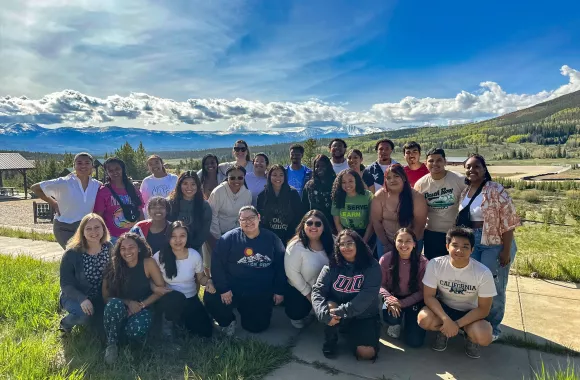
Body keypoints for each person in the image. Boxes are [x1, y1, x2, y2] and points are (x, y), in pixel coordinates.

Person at [459, 154, 519, 340]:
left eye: (476, 166)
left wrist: (506, 250)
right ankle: (475, 322)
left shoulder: (495, 189)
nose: (472, 170)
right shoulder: (465, 191)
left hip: (494, 242)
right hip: (473, 242)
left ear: (484, 169)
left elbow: (509, 222)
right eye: (468, 167)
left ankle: (493, 328)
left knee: (494, 286)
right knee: (475, 286)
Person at [204, 206, 286, 335]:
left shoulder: (272, 239)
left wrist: (279, 290)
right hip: (233, 287)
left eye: (251, 218)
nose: (248, 222)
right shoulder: (228, 239)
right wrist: (223, 288)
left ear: (258, 218)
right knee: (211, 297)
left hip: (259, 289)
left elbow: (281, 266)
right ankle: (227, 321)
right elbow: (217, 264)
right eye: (244, 219)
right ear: (239, 221)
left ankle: (249, 311)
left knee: (257, 327)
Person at [417, 227, 496, 359]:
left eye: (465, 247)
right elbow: (429, 297)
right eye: (455, 245)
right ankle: (444, 331)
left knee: (484, 337)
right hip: (445, 307)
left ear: (472, 250)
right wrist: (445, 319)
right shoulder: (435, 264)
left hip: (470, 311)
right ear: (447, 246)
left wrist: (456, 325)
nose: (459, 250)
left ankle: (469, 337)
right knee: (424, 319)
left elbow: (483, 309)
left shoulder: (483, 272)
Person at [312, 229, 382, 360]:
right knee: (329, 305)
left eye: (350, 243)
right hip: (336, 309)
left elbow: (367, 296)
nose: (345, 247)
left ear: (358, 244)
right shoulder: (331, 265)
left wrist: (341, 312)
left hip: (363, 314)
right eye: (341, 244)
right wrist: (323, 313)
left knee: (367, 354)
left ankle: (351, 331)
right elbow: (318, 291)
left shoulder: (372, 266)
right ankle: (331, 338)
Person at [101, 233, 166, 364]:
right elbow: (106, 297)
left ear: (139, 248)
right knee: (114, 304)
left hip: (143, 307)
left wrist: (141, 305)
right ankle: (112, 344)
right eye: (123, 248)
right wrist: (128, 302)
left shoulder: (148, 263)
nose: (127, 251)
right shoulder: (113, 265)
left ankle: (126, 342)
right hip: (119, 307)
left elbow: (161, 290)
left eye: (131, 247)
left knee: (136, 329)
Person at [152, 221, 214, 338]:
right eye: (173, 236)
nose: (178, 240)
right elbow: (149, 278)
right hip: (170, 299)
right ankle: (168, 324)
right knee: (175, 299)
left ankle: (182, 322)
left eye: (182, 236)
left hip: (190, 298)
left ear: (187, 237)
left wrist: (209, 281)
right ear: (168, 237)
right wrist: (155, 288)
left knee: (205, 332)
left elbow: (200, 278)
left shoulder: (194, 255)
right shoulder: (159, 256)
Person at [31, 152, 101, 248]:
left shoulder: (97, 185)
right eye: (79, 163)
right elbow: (35, 188)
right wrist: (53, 202)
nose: (83, 166)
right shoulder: (64, 182)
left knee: (86, 256)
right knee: (74, 255)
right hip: (64, 227)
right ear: (74, 166)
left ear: (92, 166)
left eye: (87, 163)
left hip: (86, 228)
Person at [59, 213, 112, 335]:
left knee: (100, 327)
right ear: (82, 232)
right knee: (84, 316)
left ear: (103, 229)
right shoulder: (72, 254)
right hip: (74, 296)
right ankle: (65, 324)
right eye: (88, 228)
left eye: (97, 227)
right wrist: (82, 299)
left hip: (100, 296)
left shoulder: (108, 247)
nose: (93, 231)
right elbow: (66, 284)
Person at [414, 148, 467, 259]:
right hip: (432, 233)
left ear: (445, 161)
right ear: (426, 163)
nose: (435, 164)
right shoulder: (420, 184)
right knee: (434, 266)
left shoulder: (460, 180)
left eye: (439, 160)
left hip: (454, 233)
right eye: (431, 161)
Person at [284, 210, 334, 328]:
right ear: (303, 225)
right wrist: (310, 296)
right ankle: (304, 313)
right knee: (297, 313)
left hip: (327, 289)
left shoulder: (333, 241)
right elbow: (292, 274)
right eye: (309, 223)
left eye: (318, 224)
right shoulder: (295, 246)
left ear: (324, 227)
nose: (313, 227)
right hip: (302, 290)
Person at [379, 228, 428, 347]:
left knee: (415, 342)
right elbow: (380, 284)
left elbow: (423, 291)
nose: (404, 245)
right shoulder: (386, 259)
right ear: (394, 242)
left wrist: (402, 303)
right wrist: (390, 299)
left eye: (408, 241)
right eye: (400, 241)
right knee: (392, 317)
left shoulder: (423, 262)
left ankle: (409, 322)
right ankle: (394, 323)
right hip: (393, 297)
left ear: (414, 244)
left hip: (414, 299)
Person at [371, 164, 428, 256]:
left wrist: (408, 245)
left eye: (396, 176)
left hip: (412, 241)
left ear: (404, 178)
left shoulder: (417, 197)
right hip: (386, 241)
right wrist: (386, 244)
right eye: (388, 178)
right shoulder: (379, 196)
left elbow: (420, 225)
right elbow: (376, 221)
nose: (392, 180)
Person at [94, 158, 144, 244]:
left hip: (134, 235)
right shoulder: (104, 191)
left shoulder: (132, 189)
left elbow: (140, 211)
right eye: (110, 170)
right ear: (107, 172)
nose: (114, 172)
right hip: (113, 237)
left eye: (117, 169)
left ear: (122, 169)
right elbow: (99, 216)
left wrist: (143, 230)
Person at [166, 171, 212, 254]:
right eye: (185, 183)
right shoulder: (170, 203)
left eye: (193, 184)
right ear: (179, 185)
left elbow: (204, 231)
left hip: (195, 250)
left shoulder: (204, 206)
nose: (189, 187)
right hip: (172, 249)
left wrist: (192, 248)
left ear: (197, 186)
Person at [256, 165, 303, 246]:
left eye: (281, 175)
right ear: (269, 176)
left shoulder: (293, 194)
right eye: (274, 175)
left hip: (289, 237)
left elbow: (299, 216)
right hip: (269, 238)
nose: (278, 178)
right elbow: (260, 218)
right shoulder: (262, 195)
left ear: (285, 177)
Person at [207, 165, 252, 248]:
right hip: (214, 234)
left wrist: (236, 234)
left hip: (235, 234)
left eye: (240, 178)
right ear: (227, 178)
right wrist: (218, 237)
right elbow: (212, 215)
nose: (236, 180)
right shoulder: (218, 192)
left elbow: (244, 217)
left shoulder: (247, 194)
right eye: (232, 178)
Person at [331, 169, 374, 244]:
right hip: (345, 234)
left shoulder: (367, 196)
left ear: (356, 181)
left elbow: (372, 221)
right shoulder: (337, 197)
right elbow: (337, 222)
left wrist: (364, 241)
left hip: (365, 234)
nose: (347, 185)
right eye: (343, 182)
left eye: (350, 181)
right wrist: (345, 239)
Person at [301, 154, 336, 229]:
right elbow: (304, 208)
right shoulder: (309, 185)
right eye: (317, 166)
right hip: (314, 225)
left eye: (323, 166)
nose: (320, 168)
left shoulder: (336, 184)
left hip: (333, 226)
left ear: (328, 166)